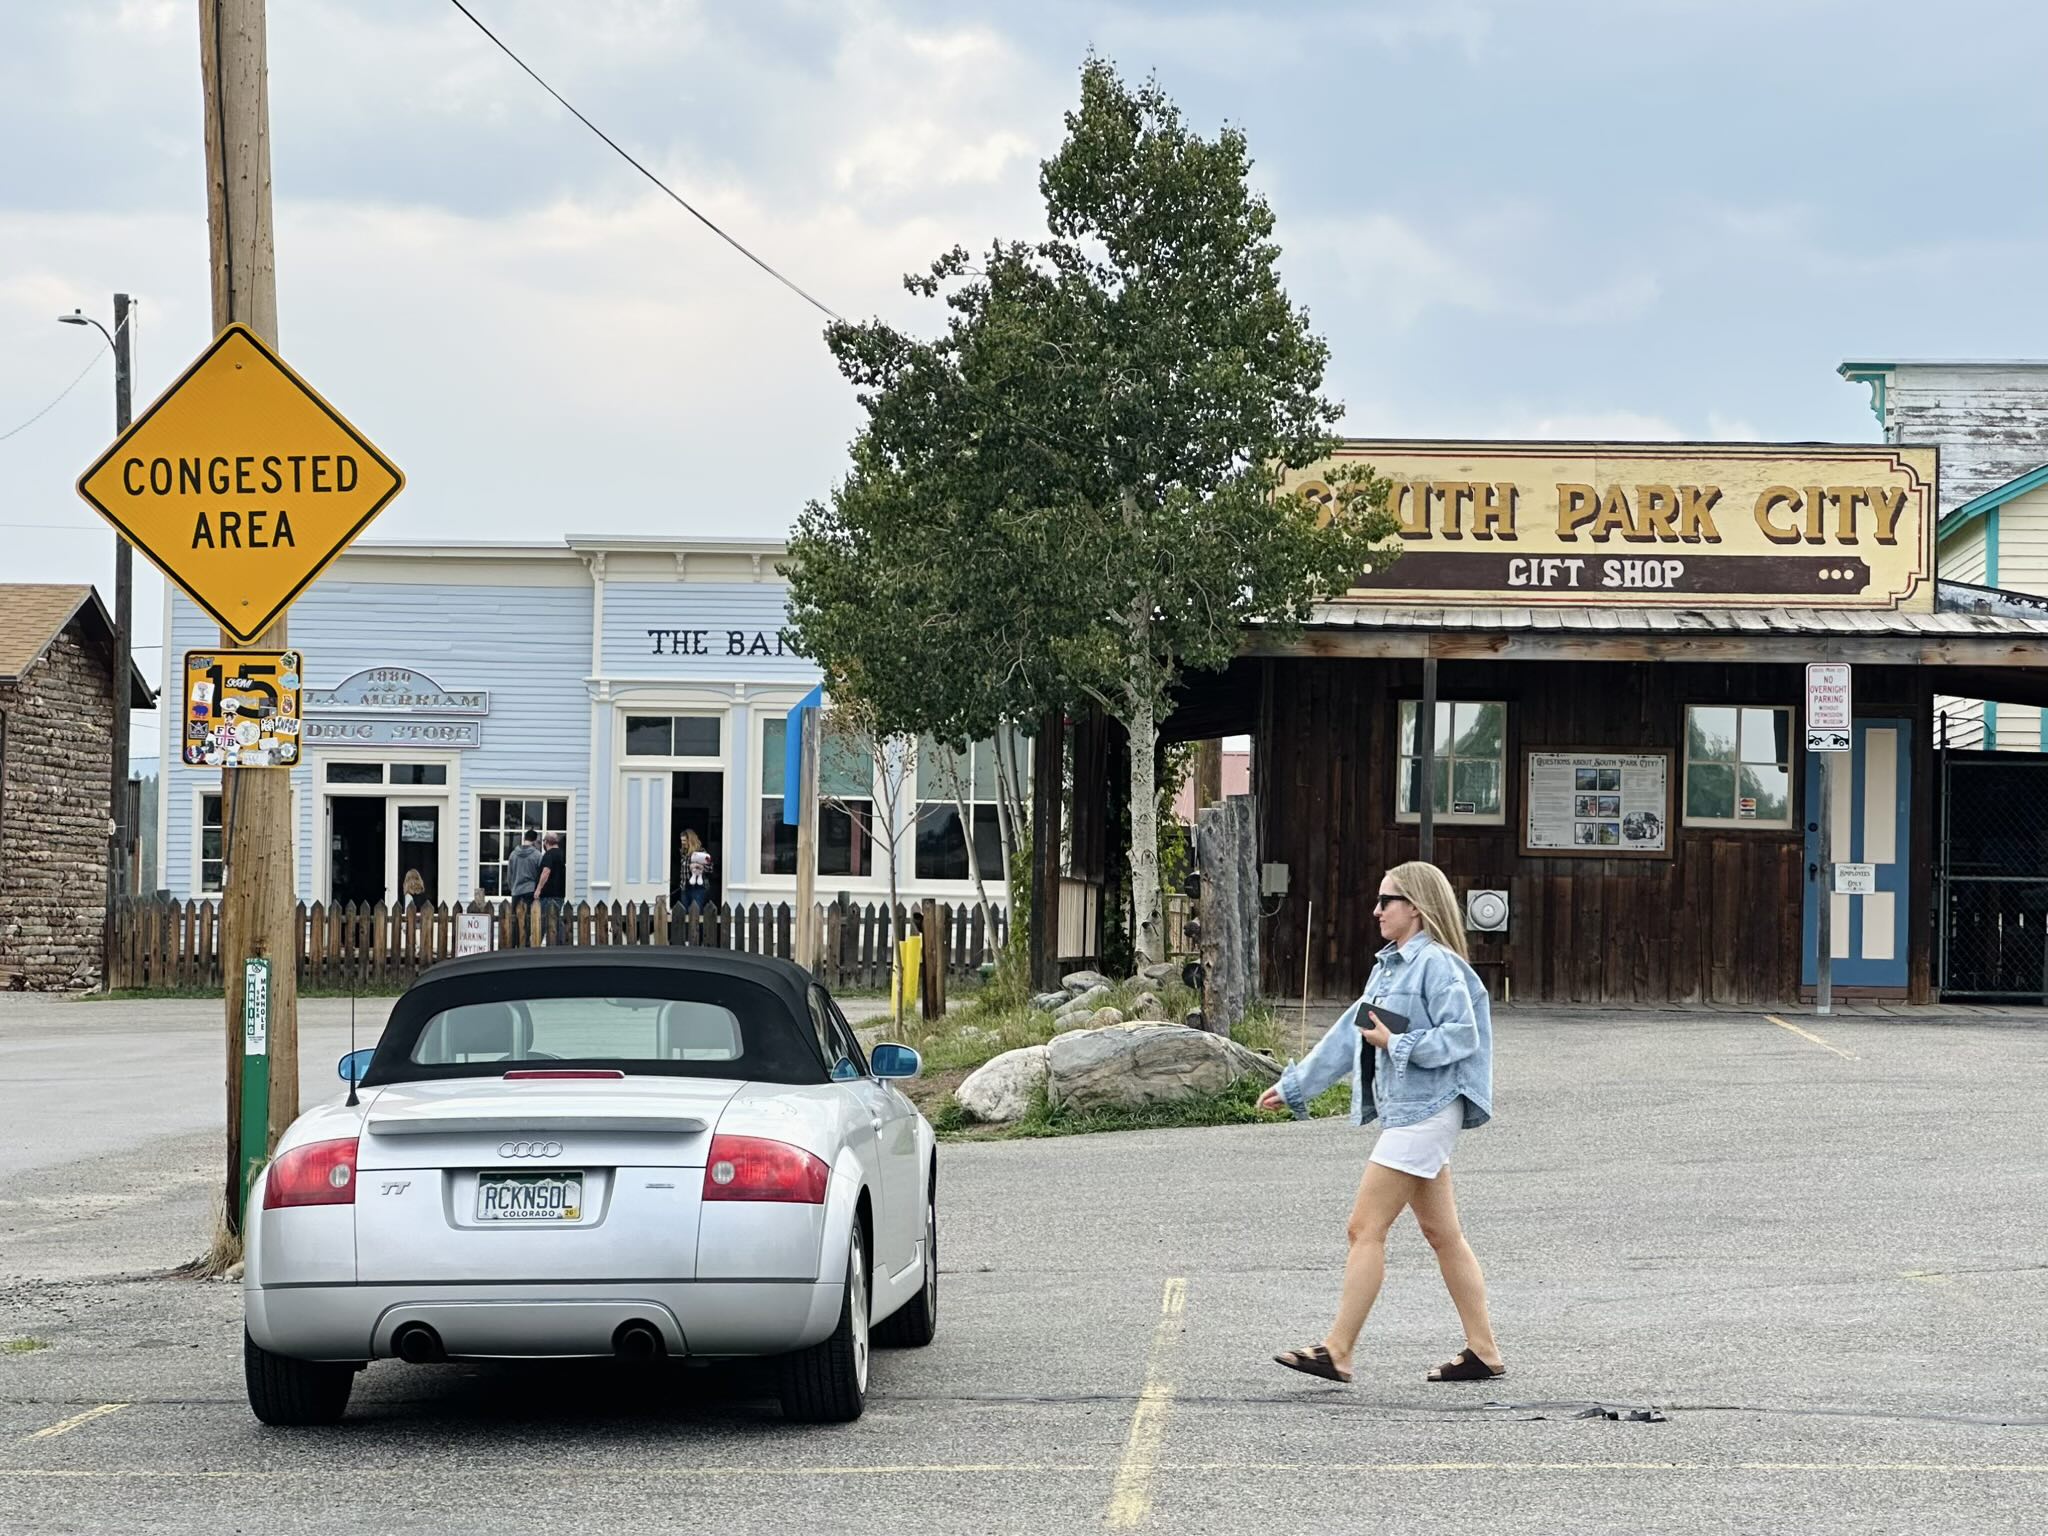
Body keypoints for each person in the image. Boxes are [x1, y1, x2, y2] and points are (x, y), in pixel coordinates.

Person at [1261, 860, 1502, 1386]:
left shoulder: (1439, 966)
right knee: (1443, 1234)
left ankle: (1338, 1350)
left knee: (1364, 1227)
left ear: (1414, 907)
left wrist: (1398, 1043)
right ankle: (1484, 1351)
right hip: (1411, 1110)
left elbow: (1463, 1037)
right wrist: (1296, 1085)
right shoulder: (1390, 967)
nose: (1376, 911)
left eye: (1385, 901)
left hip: (1428, 1110)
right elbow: (1353, 1029)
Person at [507, 828, 542, 946]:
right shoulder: (537, 855)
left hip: (516, 891)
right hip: (530, 890)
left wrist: (513, 888)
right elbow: (540, 874)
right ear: (535, 840)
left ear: (524, 838)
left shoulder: (513, 854)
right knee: (528, 920)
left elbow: (509, 875)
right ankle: (526, 945)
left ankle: (514, 944)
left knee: (515, 920)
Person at [534, 832, 568, 945]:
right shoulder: (561, 854)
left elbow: (546, 872)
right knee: (556, 920)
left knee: (544, 922)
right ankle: (560, 944)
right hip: (559, 894)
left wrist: (538, 889)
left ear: (546, 842)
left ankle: (536, 946)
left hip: (549, 895)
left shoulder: (549, 855)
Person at [680, 829, 713, 911]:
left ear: (690, 840)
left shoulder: (701, 852)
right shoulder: (683, 853)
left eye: (684, 840)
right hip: (685, 887)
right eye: (681, 840)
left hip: (698, 888)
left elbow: (710, 868)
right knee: (684, 913)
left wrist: (700, 866)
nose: (682, 843)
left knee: (696, 912)